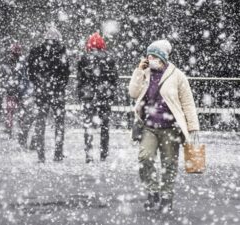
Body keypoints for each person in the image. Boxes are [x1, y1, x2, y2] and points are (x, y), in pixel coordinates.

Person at [128, 40, 199, 213]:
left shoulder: (177, 75)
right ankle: (152, 192)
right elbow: (133, 93)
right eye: (148, 56)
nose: (150, 59)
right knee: (145, 158)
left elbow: (188, 103)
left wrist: (193, 127)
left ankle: (166, 196)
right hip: (149, 126)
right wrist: (139, 71)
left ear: (162, 57)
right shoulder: (145, 73)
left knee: (169, 164)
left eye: (153, 56)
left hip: (170, 128)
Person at [28, 27, 70, 163]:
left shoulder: (36, 51)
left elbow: (31, 73)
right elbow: (66, 73)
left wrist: (39, 84)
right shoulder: (61, 52)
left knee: (40, 122)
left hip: (41, 92)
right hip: (57, 92)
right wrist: (59, 86)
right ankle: (58, 153)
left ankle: (41, 155)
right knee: (59, 123)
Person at [77, 32, 118, 163]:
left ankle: (89, 155)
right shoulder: (109, 58)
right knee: (105, 126)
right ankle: (103, 153)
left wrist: (81, 93)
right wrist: (110, 93)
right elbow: (114, 79)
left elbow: (80, 79)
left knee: (88, 125)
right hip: (104, 95)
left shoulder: (84, 58)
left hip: (88, 96)